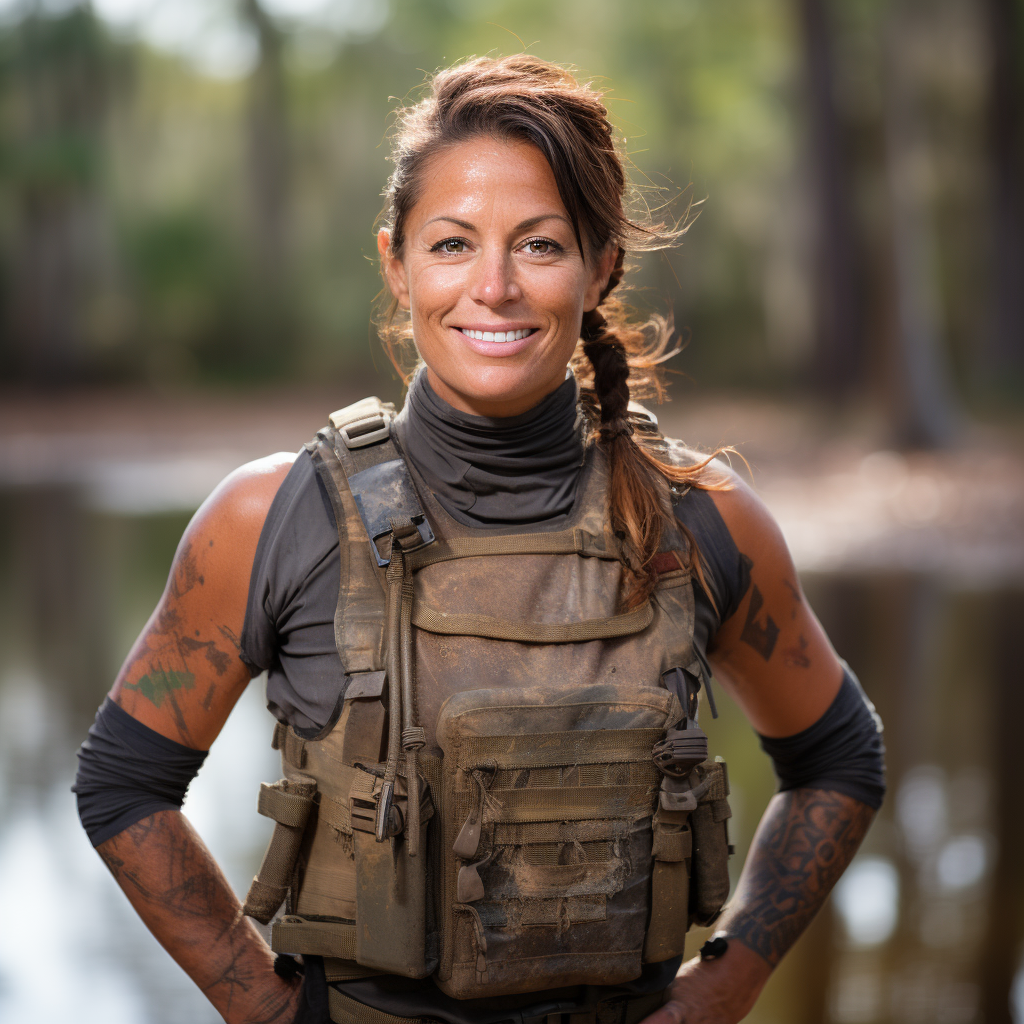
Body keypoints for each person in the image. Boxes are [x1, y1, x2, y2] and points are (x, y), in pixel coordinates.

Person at [74, 55, 885, 1024]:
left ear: (600, 267)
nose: (492, 287)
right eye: (453, 245)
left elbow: (839, 761)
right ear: (396, 261)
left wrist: (726, 983)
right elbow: (123, 786)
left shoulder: (698, 514)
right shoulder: (269, 519)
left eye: (539, 246)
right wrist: (264, 1006)